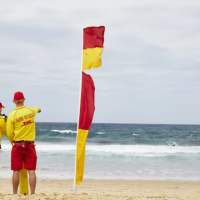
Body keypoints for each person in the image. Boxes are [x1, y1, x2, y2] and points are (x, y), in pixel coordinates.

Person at [7, 91, 41, 194]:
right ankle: (33, 193)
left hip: (17, 144)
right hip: (30, 144)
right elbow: (38, 109)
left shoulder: (12, 115)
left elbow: (9, 132)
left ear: (14, 101)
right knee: (31, 170)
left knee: (16, 170)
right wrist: (38, 110)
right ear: (23, 100)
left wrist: (12, 141)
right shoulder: (31, 110)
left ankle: (14, 193)